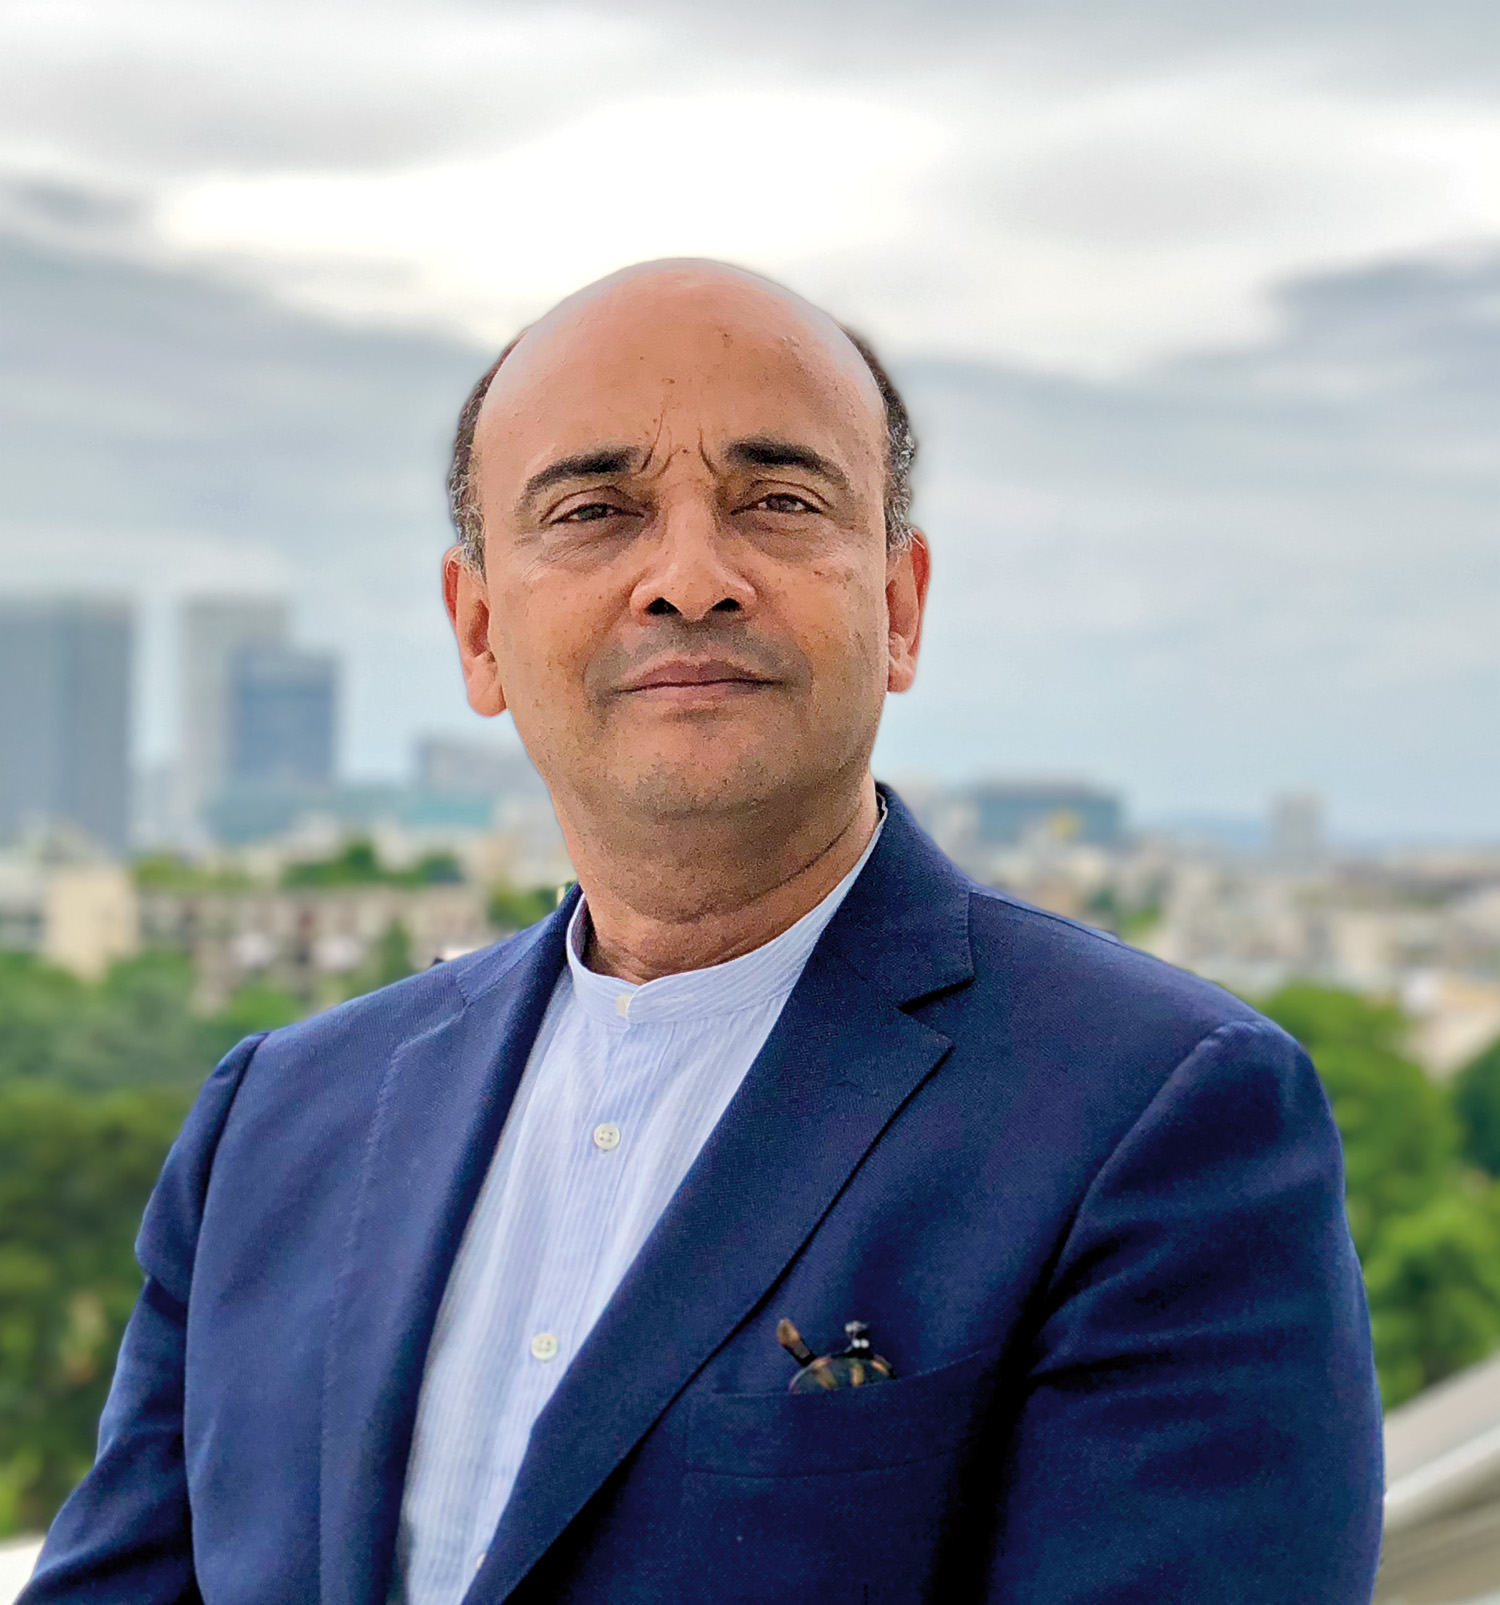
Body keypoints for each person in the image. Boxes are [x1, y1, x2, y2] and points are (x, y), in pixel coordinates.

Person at [22, 261, 1383, 1604]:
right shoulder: (274, 1123)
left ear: (898, 606)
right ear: (480, 627)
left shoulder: (1158, 1114)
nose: (688, 575)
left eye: (779, 501)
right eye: (595, 507)